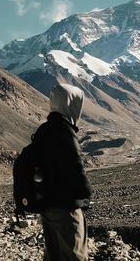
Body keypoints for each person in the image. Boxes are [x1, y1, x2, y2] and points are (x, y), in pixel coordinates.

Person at [32, 83, 93, 261]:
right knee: (74, 254)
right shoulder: (64, 131)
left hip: (47, 205)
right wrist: (86, 192)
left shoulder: (44, 129)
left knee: (53, 254)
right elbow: (75, 168)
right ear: (71, 104)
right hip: (66, 206)